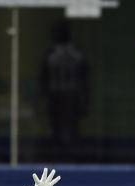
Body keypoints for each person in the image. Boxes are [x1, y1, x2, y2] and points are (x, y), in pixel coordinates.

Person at [39, 20, 90, 158]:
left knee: (70, 129)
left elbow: (85, 81)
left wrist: (85, 101)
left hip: (69, 96)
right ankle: (59, 158)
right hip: (58, 96)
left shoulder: (74, 55)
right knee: (57, 128)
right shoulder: (53, 55)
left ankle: (70, 158)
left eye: (57, 33)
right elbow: (44, 80)